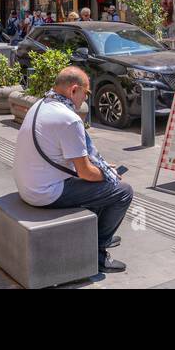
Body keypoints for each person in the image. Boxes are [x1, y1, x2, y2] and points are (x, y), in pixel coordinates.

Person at [14, 67, 132, 274]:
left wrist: (101, 170)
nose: (85, 99)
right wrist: (108, 174)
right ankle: (98, 252)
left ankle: (97, 234)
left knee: (102, 184)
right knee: (122, 191)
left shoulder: (41, 104)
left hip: (29, 183)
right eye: (86, 93)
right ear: (73, 90)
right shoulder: (69, 119)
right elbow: (86, 172)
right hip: (44, 192)